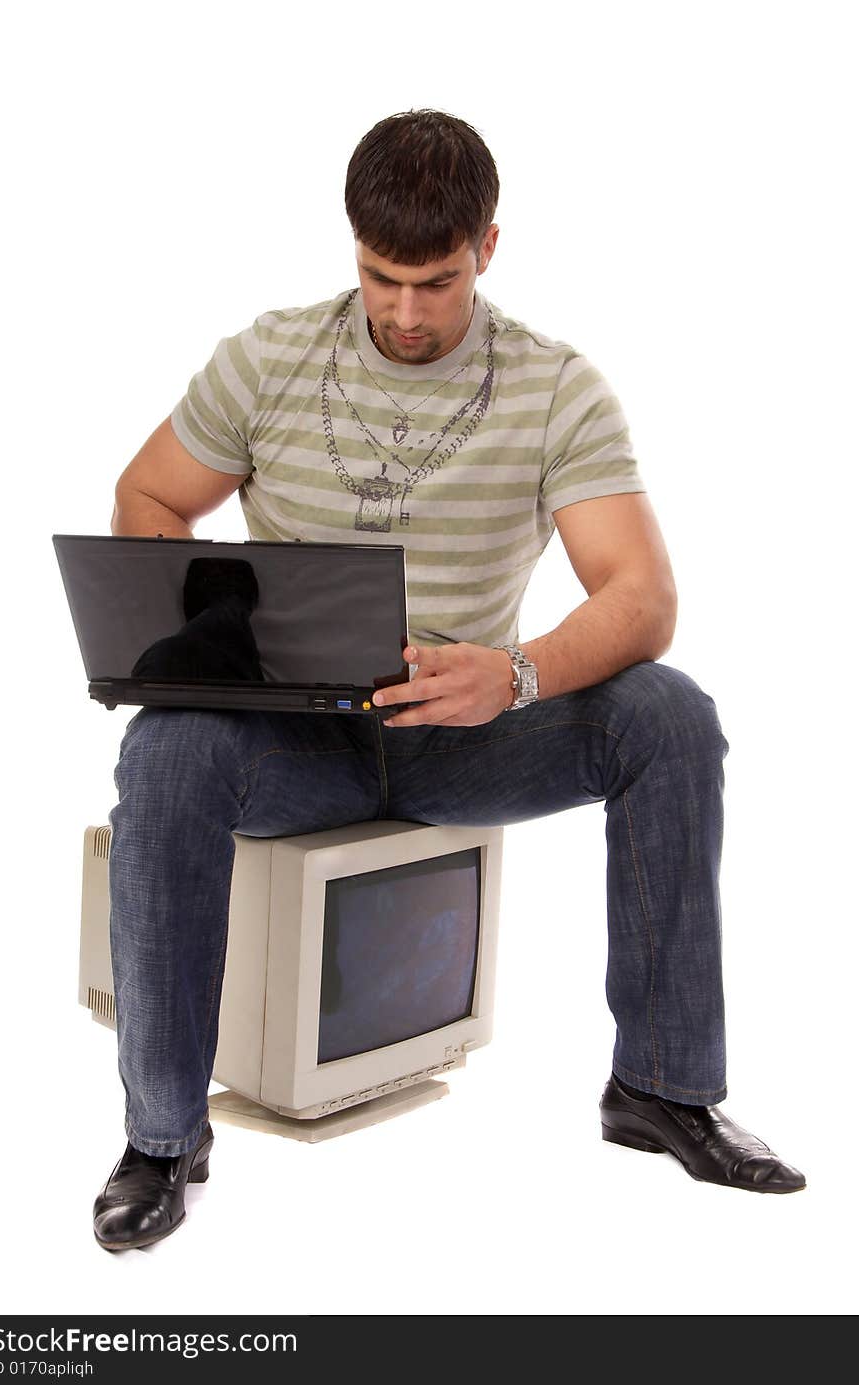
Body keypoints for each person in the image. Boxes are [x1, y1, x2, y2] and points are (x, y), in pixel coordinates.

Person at [92, 108, 805, 1252]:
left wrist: (513, 675)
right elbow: (147, 496)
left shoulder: (556, 388)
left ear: (487, 245)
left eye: (436, 279)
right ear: (353, 248)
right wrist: (215, 640)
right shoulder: (268, 357)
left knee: (670, 715)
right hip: (297, 736)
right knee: (165, 746)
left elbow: (641, 595)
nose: (407, 311)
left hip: (469, 735)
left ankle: (662, 1086)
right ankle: (164, 1137)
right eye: (382, 278)